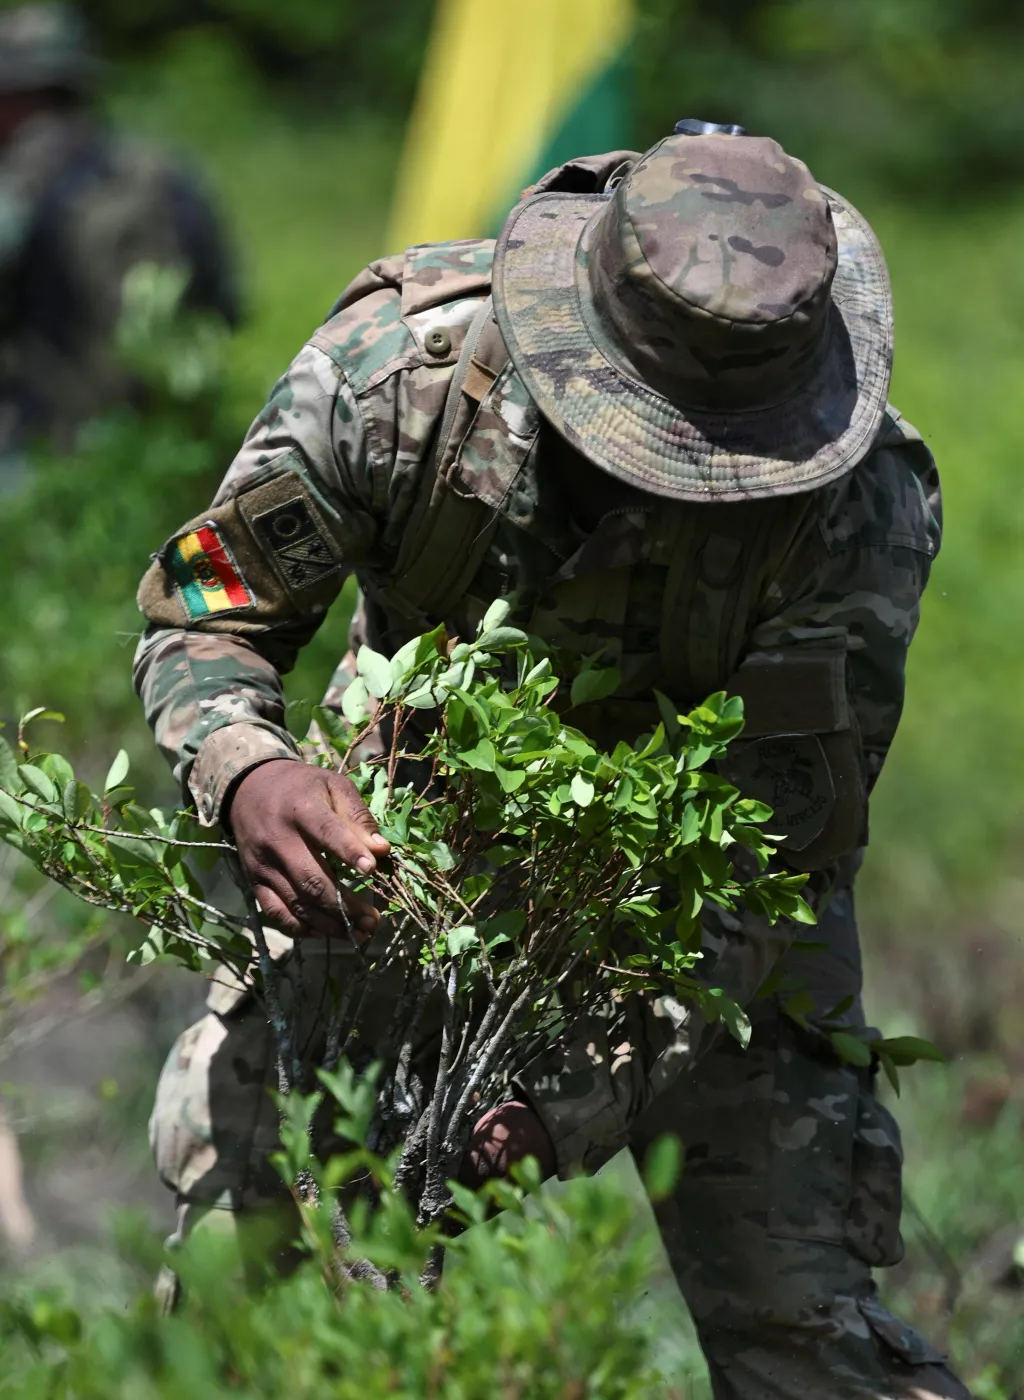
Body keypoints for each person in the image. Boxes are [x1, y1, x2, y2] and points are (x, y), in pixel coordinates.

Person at [134, 128, 969, 1397]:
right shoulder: (394, 378)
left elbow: (771, 851)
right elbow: (207, 610)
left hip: (699, 926)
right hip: (392, 866)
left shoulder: (856, 510)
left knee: (806, 1335)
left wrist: (576, 1089)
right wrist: (250, 767)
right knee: (249, 1306)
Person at [0, 3, 239, 463]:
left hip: (35, 446)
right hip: (159, 447)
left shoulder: (17, 185)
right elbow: (227, 304)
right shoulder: (165, 173)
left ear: (19, 96)